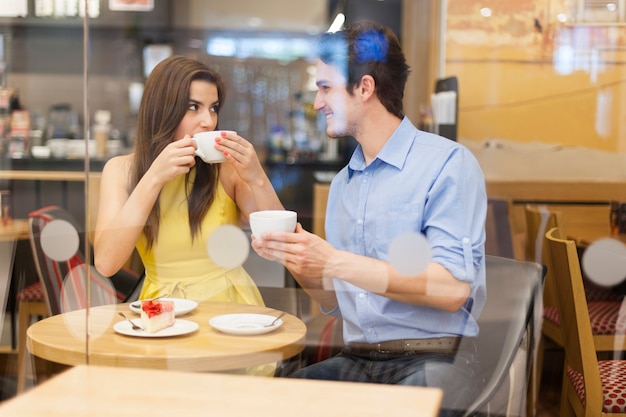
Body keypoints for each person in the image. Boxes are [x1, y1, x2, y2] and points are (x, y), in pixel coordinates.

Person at [252, 21, 487, 416]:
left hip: (435, 359)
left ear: (364, 88)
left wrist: (334, 260)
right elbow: (336, 301)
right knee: (269, 401)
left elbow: (452, 291)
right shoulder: (345, 183)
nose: (316, 103)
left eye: (325, 88)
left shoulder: (447, 164)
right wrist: (297, 257)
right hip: (360, 359)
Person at [94, 55, 283, 307]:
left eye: (213, 108)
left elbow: (282, 244)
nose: (208, 121)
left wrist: (257, 177)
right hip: (162, 311)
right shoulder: (121, 171)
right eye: (194, 107)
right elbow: (107, 263)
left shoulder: (224, 169)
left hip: (228, 309)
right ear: (162, 110)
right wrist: (154, 177)